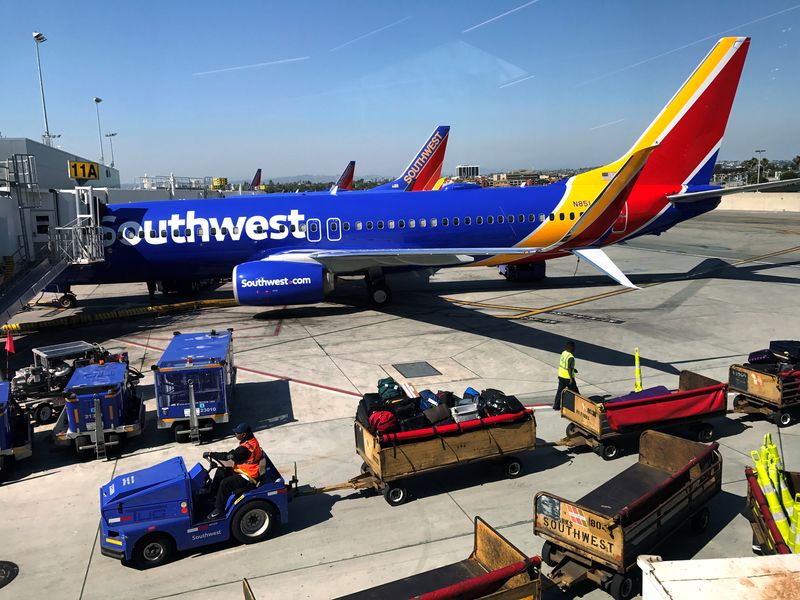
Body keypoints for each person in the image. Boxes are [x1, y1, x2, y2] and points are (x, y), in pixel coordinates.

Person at [203, 423, 263, 520]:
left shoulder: (244, 449)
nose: (235, 434)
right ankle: (212, 496)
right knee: (220, 471)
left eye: (237, 433)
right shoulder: (250, 440)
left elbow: (228, 456)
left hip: (248, 476)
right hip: (243, 470)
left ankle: (219, 510)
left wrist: (212, 454)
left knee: (224, 484)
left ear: (243, 435)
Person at [553, 341, 579, 410]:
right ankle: (577, 406)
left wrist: (574, 369)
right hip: (567, 378)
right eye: (574, 347)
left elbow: (565, 365)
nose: (574, 348)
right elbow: (569, 368)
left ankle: (556, 406)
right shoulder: (571, 357)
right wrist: (571, 378)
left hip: (561, 376)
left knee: (560, 391)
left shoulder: (564, 353)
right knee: (574, 392)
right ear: (571, 348)